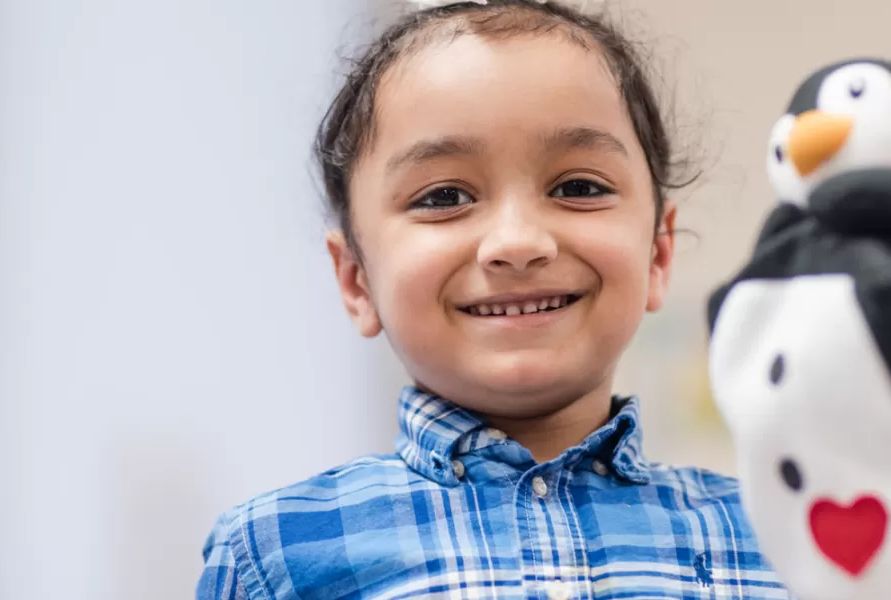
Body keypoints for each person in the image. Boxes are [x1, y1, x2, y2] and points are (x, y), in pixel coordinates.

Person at [197, 1, 787, 597]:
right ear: (356, 279)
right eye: (443, 196)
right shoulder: (277, 554)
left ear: (658, 254)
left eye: (578, 187)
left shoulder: (779, 538)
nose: (518, 242)